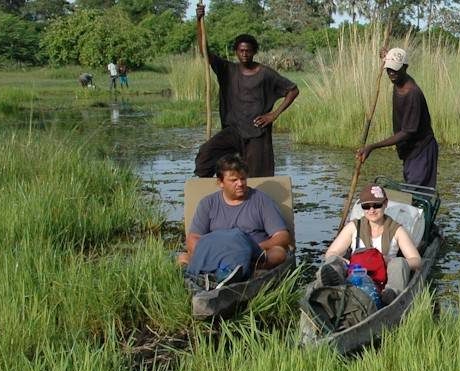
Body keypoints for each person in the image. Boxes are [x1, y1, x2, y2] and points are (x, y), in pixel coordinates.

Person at [193, 4, 300, 179]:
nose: (244, 54)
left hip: (257, 133)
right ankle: (217, 194)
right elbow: (204, 50)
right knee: (205, 154)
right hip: (233, 131)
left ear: (254, 52)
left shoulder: (265, 74)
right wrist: (199, 21)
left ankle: (255, 203)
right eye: (241, 50)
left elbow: (293, 90)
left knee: (257, 176)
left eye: (248, 51)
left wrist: (273, 114)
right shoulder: (227, 70)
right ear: (236, 51)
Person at [179, 154, 291, 287]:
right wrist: (222, 252)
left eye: (243, 179)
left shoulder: (262, 201)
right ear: (220, 182)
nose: (240, 184)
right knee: (183, 257)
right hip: (217, 256)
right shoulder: (207, 203)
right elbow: (193, 238)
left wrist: (248, 249)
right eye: (234, 180)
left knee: (279, 253)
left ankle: (237, 273)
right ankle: (215, 275)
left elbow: (282, 236)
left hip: (253, 256)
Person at [356, 48, 439, 188]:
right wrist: (386, 57)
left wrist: (372, 146)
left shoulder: (412, 93)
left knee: (417, 195)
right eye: (388, 69)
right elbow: (389, 62)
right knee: (411, 191)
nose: (391, 73)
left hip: (421, 151)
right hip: (409, 152)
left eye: (395, 69)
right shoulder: (398, 79)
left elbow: (407, 132)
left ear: (405, 68)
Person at [321, 184, 422, 296]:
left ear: (385, 204)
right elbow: (331, 253)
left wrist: (389, 261)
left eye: (377, 205)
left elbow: (416, 260)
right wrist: (347, 262)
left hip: (384, 277)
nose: (372, 210)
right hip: (356, 273)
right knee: (333, 260)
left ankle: (391, 294)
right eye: (366, 206)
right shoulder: (354, 226)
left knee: (399, 263)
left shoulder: (397, 230)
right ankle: (331, 288)